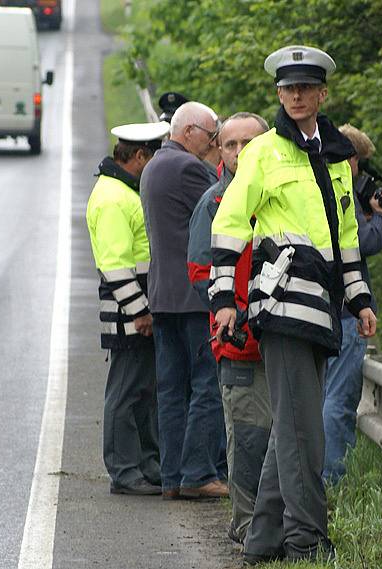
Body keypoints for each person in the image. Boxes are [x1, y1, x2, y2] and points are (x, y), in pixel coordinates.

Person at [209, 45, 377, 564]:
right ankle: (306, 539)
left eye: (306, 87)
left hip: (324, 311)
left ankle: (262, 543)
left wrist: (360, 299)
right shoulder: (262, 152)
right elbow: (231, 223)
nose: (297, 96)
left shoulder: (335, 155)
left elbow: (346, 235)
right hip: (281, 308)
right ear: (279, 94)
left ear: (323, 93)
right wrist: (223, 300)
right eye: (288, 88)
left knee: (293, 425)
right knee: (303, 430)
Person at [187, 112, 272, 544]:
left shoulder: (276, 197)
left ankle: (273, 526)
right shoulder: (213, 203)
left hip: (281, 344)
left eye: (249, 145)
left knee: (277, 443)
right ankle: (246, 528)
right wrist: (236, 311)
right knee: (247, 442)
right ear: (218, 150)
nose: (239, 154)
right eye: (230, 145)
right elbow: (201, 273)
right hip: (239, 347)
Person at [140, 102, 228, 500]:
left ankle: (173, 477)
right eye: (211, 138)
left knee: (171, 390)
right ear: (189, 132)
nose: (213, 145)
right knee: (205, 385)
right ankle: (198, 472)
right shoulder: (189, 168)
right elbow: (223, 203)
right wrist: (216, 159)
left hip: (162, 296)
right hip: (193, 298)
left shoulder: (155, 164)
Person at [85, 121, 169, 495]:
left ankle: (147, 466)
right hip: (129, 314)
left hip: (138, 310)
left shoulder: (122, 191)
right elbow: (115, 265)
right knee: (125, 392)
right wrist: (140, 311)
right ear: (139, 157)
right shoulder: (113, 198)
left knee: (143, 391)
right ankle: (124, 470)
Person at [322, 124, 382, 485]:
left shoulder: (313, 186)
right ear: (350, 159)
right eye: (361, 164)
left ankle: (312, 478)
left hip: (316, 308)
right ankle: (332, 479)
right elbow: (362, 243)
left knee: (317, 399)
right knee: (338, 401)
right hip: (345, 311)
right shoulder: (340, 191)